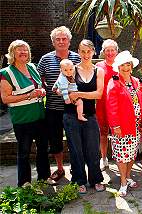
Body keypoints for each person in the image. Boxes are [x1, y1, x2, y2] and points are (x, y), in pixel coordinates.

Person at [0, 40, 50, 187]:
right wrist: (30, 95)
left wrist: (42, 91)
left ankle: (44, 176)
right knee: (24, 152)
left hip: (39, 116)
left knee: (42, 149)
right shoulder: (6, 73)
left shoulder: (32, 67)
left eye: (25, 50)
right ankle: (24, 182)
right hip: (23, 119)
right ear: (12, 53)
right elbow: (5, 98)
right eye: (19, 50)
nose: (23, 52)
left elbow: (39, 87)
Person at [38, 26, 81, 182]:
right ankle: (60, 168)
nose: (61, 41)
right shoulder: (45, 59)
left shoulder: (77, 58)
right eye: (58, 39)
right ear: (53, 42)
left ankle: (77, 168)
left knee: (75, 139)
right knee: (55, 140)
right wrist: (44, 89)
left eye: (64, 39)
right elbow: (39, 80)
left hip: (73, 107)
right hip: (53, 108)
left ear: (69, 41)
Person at [63, 39, 105, 194]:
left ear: (93, 51)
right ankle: (79, 180)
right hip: (70, 115)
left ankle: (96, 179)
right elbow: (63, 88)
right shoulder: (71, 69)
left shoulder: (98, 71)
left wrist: (78, 94)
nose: (86, 54)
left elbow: (99, 94)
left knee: (93, 149)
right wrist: (70, 94)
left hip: (90, 115)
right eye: (83, 51)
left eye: (89, 51)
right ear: (78, 52)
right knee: (76, 150)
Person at [106, 51, 142, 197]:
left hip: (135, 126)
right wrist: (115, 125)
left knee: (131, 155)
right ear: (118, 67)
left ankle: (128, 176)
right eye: (123, 64)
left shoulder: (136, 81)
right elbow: (111, 106)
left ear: (131, 66)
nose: (126, 67)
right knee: (122, 155)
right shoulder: (115, 82)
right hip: (122, 126)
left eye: (128, 64)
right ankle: (123, 182)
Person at [95, 39, 119, 171]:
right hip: (102, 104)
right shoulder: (98, 66)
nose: (110, 53)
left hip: (117, 106)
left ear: (116, 51)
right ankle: (103, 158)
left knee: (117, 132)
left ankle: (119, 157)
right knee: (103, 133)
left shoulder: (121, 65)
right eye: (107, 50)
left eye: (112, 50)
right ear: (103, 52)